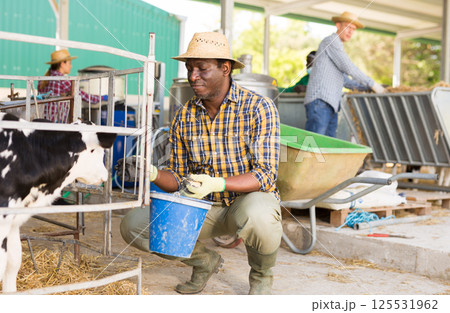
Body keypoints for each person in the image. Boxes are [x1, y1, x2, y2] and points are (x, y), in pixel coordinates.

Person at [120, 32, 282, 295]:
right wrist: (150, 172)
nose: (193, 76)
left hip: (246, 202)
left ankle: (262, 276)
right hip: (202, 207)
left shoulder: (258, 107)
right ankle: (204, 261)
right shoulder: (184, 115)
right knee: (133, 225)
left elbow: (265, 176)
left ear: (225, 68)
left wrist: (217, 183)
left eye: (202, 69)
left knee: (260, 217)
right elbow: (177, 179)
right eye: (189, 68)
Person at [304, 11, 385, 137]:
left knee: (328, 147)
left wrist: (369, 88)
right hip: (320, 101)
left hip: (331, 105)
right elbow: (349, 67)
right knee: (314, 145)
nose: (350, 32)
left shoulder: (338, 47)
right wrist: (372, 83)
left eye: (353, 29)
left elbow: (346, 81)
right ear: (338, 25)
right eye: (348, 27)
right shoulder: (331, 41)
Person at [37, 49, 107, 123]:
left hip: (42, 120)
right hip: (56, 121)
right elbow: (83, 95)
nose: (71, 66)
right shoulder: (63, 80)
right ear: (62, 64)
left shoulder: (43, 80)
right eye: (69, 63)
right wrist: (102, 97)